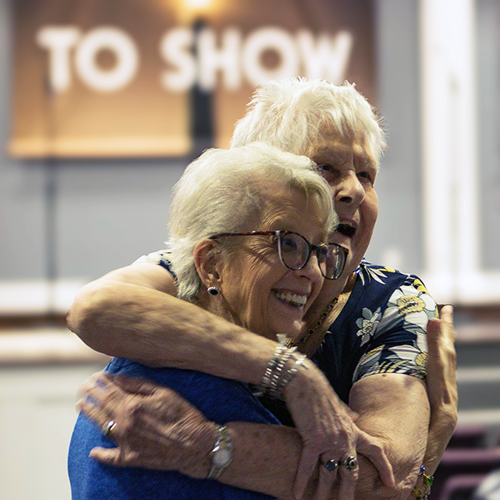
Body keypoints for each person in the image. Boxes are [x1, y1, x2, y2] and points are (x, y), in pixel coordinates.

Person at [67, 78, 458, 499]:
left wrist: (208, 446)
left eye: (367, 174)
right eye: (325, 169)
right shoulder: (201, 267)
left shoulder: (392, 301)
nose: (354, 190)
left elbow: (384, 475)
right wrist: (291, 373)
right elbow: (94, 309)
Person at [71, 142, 388, 499]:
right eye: (288, 243)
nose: (313, 272)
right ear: (211, 264)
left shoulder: (161, 371)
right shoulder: (181, 405)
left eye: (319, 251)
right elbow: (376, 486)